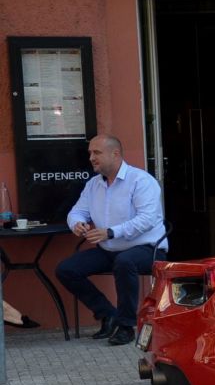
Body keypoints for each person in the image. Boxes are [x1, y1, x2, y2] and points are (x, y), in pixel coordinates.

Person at [56, 135, 168, 346]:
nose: (91, 158)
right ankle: (107, 313)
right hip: (109, 249)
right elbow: (76, 212)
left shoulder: (141, 180)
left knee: (125, 261)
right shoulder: (93, 185)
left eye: (96, 153)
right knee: (66, 269)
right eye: (90, 153)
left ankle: (126, 326)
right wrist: (78, 224)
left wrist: (111, 232)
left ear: (115, 154)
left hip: (146, 249)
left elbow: (147, 219)